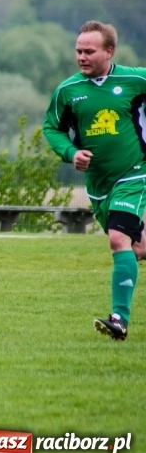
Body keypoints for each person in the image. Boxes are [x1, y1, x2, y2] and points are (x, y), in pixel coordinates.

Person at [43, 20, 146, 341]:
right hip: (99, 185)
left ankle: (119, 319)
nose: (81, 56)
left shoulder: (135, 80)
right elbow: (52, 129)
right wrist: (70, 152)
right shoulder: (68, 91)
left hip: (135, 174)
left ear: (109, 51)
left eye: (89, 51)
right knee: (137, 247)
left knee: (118, 240)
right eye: (78, 51)